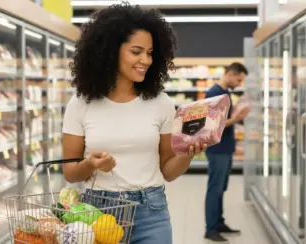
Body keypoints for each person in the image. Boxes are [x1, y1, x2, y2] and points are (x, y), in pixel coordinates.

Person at [62, 3, 206, 244]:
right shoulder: (81, 104)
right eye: (136, 51)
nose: (145, 60)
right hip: (97, 215)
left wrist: (188, 154)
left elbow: (168, 171)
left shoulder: (160, 102)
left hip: (151, 212)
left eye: (150, 53)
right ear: (109, 51)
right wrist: (90, 164)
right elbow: (70, 172)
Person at [204, 63, 248, 243]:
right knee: (215, 189)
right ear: (230, 74)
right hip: (217, 149)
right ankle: (211, 229)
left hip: (226, 148)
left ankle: (219, 222)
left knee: (221, 188)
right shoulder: (214, 93)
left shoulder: (225, 93)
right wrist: (235, 119)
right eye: (238, 79)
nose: (239, 83)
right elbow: (213, 125)